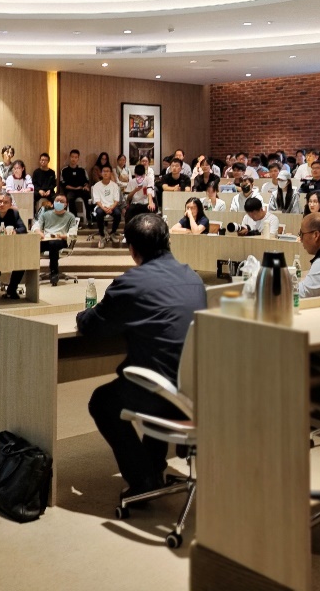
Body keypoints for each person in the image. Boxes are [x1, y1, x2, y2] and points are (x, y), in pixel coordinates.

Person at [77, 212, 206, 498]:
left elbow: (92, 326)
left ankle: (143, 478)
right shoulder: (194, 277)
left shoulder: (131, 283)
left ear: (132, 249)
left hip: (163, 390)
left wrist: (83, 313)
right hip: (197, 389)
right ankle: (153, 466)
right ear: (168, 242)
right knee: (154, 375)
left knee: (103, 401)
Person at [35, 194, 80, 285]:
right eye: (57, 201)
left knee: (53, 244)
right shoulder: (46, 215)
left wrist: (63, 236)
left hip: (61, 241)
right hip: (46, 239)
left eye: (61, 201)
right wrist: (39, 232)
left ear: (66, 204)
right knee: (34, 246)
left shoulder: (70, 216)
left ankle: (54, 272)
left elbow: (73, 232)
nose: (59, 203)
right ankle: (32, 272)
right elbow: (36, 226)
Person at [88, 164, 124, 247]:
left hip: (112, 206)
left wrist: (111, 207)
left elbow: (116, 200)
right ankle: (102, 235)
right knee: (99, 213)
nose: (105, 173)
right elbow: (97, 200)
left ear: (110, 173)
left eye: (107, 171)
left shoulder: (114, 185)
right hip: (101, 206)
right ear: (101, 173)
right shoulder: (97, 186)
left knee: (118, 214)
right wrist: (104, 208)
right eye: (104, 171)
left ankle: (113, 232)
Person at [61, 149, 92, 223]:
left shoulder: (82, 170)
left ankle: (89, 218)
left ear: (78, 158)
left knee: (88, 197)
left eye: (75, 157)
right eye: (72, 157)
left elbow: (86, 182)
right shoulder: (64, 170)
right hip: (70, 191)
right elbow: (64, 185)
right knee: (70, 198)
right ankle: (74, 219)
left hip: (81, 190)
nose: (73, 159)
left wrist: (86, 186)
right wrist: (75, 188)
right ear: (69, 157)